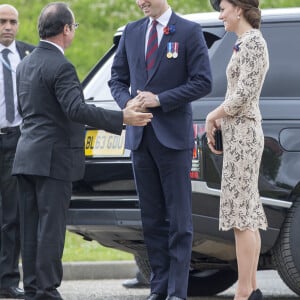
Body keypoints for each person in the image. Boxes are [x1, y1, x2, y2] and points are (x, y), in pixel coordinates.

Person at [11, 2, 153, 300]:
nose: (74, 32)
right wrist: (121, 118)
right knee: (51, 227)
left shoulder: (25, 63)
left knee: (30, 227)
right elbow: (76, 109)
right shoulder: (61, 65)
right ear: (66, 30)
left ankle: (34, 287)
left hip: (25, 157)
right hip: (53, 159)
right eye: (74, 27)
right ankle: (47, 291)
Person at [109, 0, 212, 299]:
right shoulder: (131, 31)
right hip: (140, 138)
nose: (141, 2)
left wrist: (161, 99)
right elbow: (117, 79)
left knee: (179, 219)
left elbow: (203, 82)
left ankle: (177, 291)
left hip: (174, 139)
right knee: (151, 218)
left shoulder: (190, 31)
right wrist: (125, 102)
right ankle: (159, 288)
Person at [206, 1, 269, 300]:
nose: (220, 15)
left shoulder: (254, 43)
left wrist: (212, 115)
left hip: (244, 134)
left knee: (241, 215)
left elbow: (243, 95)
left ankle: (244, 292)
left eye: (223, 8)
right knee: (246, 212)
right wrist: (220, 119)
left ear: (240, 9)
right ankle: (251, 288)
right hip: (238, 134)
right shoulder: (244, 43)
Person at [0, 4, 35, 299]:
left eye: (12, 21)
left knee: (12, 214)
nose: (8, 27)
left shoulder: (30, 54)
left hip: (16, 141)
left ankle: (8, 281)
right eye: (2, 22)